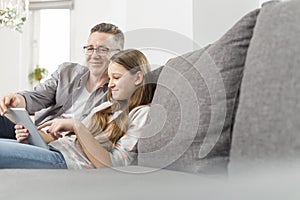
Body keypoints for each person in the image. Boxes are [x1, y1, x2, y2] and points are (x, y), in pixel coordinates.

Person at [0, 49, 153, 169]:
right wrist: (30, 138)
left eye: (117, 77)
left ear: (138, 78)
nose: (111, 84)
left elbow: (111, 165)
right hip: (55, 148)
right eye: (110, 77)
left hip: (66, 159)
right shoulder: (106, 107)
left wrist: (76, 125)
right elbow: (66, 139)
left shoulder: (141, 114)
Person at [0, 22, 124, 139]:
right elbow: (38, 96)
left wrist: (47, 138)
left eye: (103, 49)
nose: (94, 55)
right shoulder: (67, 72)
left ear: (119, 54)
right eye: (90, 48)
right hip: (34, 133)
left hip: (59, 146)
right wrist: (17, 99)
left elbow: (92, 135)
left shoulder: (117, 92)